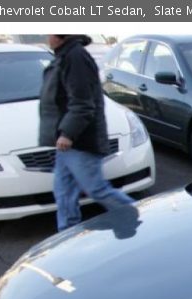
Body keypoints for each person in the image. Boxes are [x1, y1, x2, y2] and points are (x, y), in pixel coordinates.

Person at [39, 34, 138, 231]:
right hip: (67, 143)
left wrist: (68, 133)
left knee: (96, 189)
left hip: (80, 141)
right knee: (64, 193)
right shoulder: (64, 56)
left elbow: (83, 103)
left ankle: (138, 216)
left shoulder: (75, 57)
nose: (46, 36)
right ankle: (67, 236)